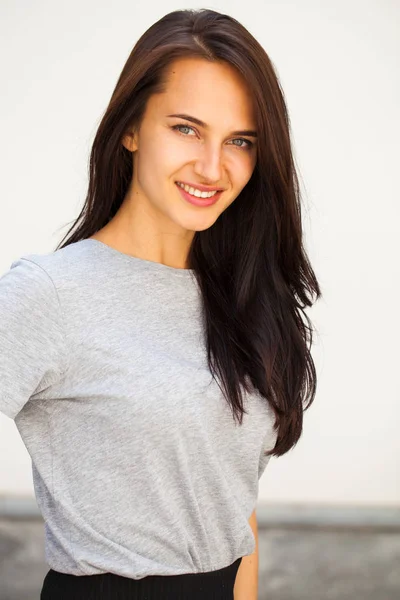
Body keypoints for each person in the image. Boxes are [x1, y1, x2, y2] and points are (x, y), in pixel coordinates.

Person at [0, 8, 322, 600]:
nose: (211, 166)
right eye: (186, 128)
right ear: (130, 129)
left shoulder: (243, 301)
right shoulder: (49, 294)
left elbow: (234, 511)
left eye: (240, 141)